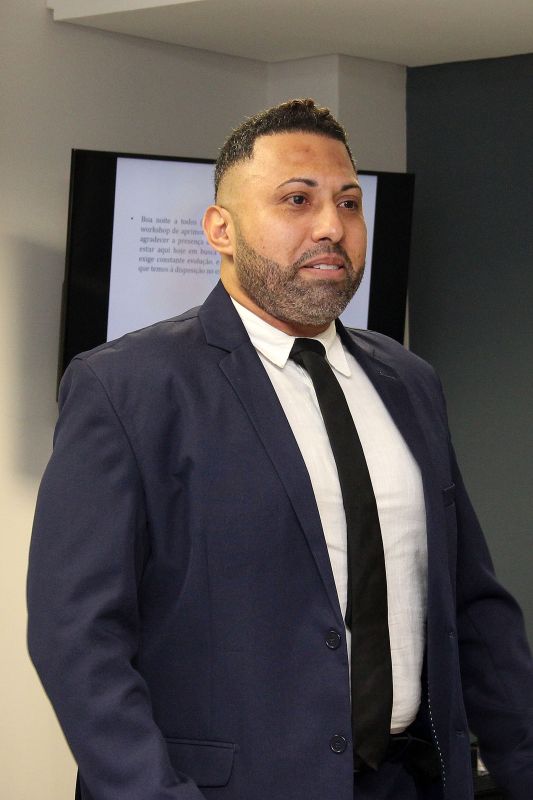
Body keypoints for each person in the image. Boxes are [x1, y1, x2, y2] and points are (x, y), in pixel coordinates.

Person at [28, 99, 533, 800]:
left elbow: (473, 605)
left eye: (348, 203)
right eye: (297, 200)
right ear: (221, 229)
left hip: (410, 781)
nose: (331, 227)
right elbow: (77, 636)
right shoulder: (126, 387)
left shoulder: (409, 381)